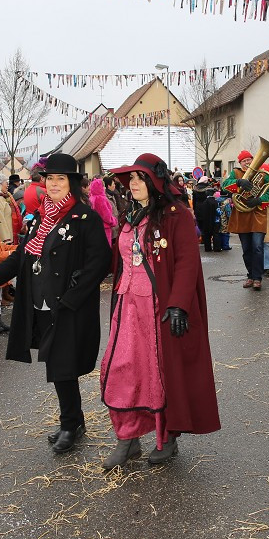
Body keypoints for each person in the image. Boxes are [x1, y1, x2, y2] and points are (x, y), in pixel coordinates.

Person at [0, 152, 111, 454]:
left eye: (60, 179)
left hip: (68, 305)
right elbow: (22, 255)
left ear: (72, 184)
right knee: (57, 363)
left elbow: (101, 261)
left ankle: (70, 424)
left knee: (62, 364)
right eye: (50, 178)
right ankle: (73, 420)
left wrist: (73, 297)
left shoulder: (85, 218)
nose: (53, 184)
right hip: (40, 301)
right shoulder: (41, 217)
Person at [96, 153, 220, 470]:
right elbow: (116, 261)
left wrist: (178, 303)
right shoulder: (128, 216)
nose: (133, 184)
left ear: (154, 180)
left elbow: (187, 262)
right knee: (123, 368)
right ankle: (128, 438)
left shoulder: (176, 215)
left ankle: (167, 437)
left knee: (158, 372)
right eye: (131, 179)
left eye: (139, 178)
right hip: (126, 306)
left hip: (157, 307)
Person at [221, 149, 269, 290]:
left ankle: (258, 278)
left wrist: (259, 200)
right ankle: (250, 276)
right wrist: (239, 182)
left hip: (258, 215)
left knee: (257, 247)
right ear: (240, 163)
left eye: (249, 160)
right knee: (246, 249)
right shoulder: (236, 173)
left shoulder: (262, 174)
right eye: (244, 161)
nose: (247, 162)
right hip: (242, 215)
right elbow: (225, 185)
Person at [87, 177, 118, 247]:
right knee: (106, 249)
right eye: (103, 186)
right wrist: (113, 221)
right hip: (104, 228)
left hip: (96, 227)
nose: (104, 188)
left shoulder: (92, 197)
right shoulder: (100, 199)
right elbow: (106, 215)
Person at [193, 177, 220, 252]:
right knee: (213, 230)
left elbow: (194, 201)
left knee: (204, 227)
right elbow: (217, 212)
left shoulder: (195, 189)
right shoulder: (208, 189)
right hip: (209, 209)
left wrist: (194, 210)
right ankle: (216, 247)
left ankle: (204, 242)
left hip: (199, 209)